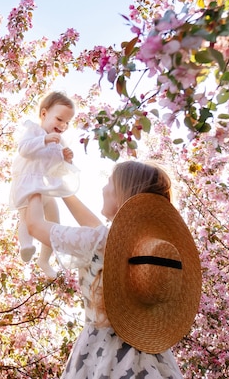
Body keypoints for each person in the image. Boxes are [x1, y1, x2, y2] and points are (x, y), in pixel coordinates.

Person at [25, 160, 201, 379]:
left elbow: (33, 224)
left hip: (103, 355)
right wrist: (62, 188)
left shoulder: (100, 242)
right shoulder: (146, 247)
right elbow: (93, 227)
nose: (103, 188)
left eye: (109, 182)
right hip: (152, 356)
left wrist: (31, 180)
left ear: (121, 195)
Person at [9, 91, 79, 278]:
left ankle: (44, 260)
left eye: (67, 122)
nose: (63, 125)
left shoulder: (60, 141)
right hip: (29, 185)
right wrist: (44, 139)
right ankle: (26, 245)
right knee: (28, 218)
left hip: (46, 187)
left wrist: (65, 159)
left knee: (53, 223)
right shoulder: (34, 131)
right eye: (59, 119)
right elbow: (23, 149)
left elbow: (55, 167)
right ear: (44, 114)